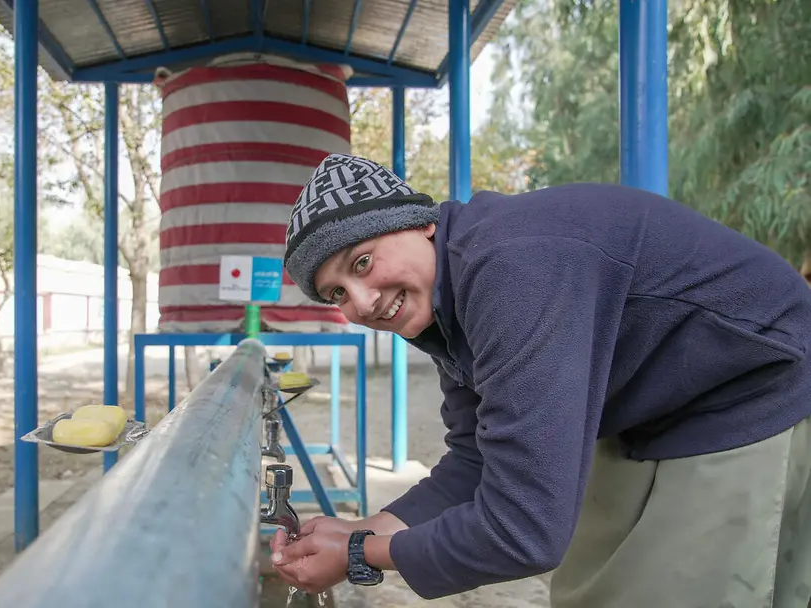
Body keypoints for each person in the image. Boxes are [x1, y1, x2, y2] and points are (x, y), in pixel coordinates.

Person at [268, 153, 811, 607]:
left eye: (361, 263)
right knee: (592, 590)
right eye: (336, 293)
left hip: (750, 390)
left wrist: (362, 554)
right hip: (656, 407)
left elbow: (524, 529)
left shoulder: (510, 268)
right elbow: (477, 457)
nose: (361, 303)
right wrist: (368, 527)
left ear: (419, 222)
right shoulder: (442, 295)